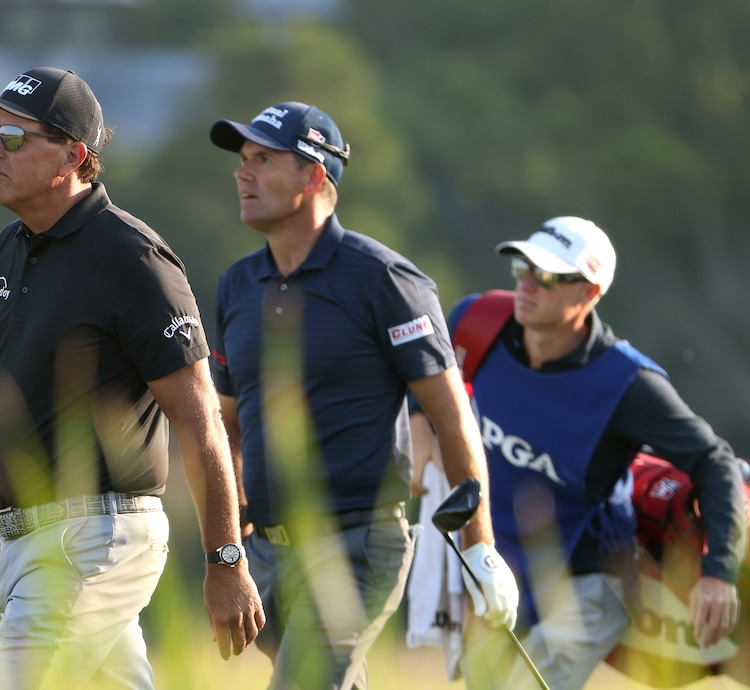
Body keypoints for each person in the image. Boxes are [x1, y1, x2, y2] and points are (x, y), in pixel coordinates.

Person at [0, 66, 265, 689]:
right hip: (25, 547)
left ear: (74, 155)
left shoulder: (134, 259)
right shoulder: (4, 252)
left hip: (98, 540)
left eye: (14, 138)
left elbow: (198, 416)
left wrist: (225, 559)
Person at [208, 101, 519, 689]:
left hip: (357, 543)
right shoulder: (236, 285)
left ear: (315, 175)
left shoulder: (385, 281)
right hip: (269, 551)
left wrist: (481, 550)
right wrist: (229, 538)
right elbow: (227, 428)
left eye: (263, 159)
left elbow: (453, 420)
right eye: (242, 160)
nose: (242, 173)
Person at [422, 216, 746, 690]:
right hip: (491, 567)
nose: (528, 285)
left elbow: (715, 462)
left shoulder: (629, 384)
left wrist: (719, 572)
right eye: (523, 268)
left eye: (549, 276)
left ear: (589, 293)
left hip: (586, 585)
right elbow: (421, 384)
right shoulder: (477, 321)